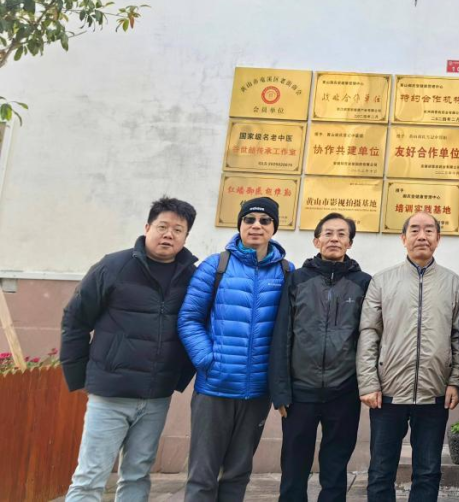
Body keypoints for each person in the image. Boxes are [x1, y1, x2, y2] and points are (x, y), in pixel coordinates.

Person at [60, 196, 199, 502]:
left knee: (137, 475)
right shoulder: (113, 267)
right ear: (147, 227)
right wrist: (79, 376)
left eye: (178, 230)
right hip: (110, 395)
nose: (169, 235)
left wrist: (176, 379)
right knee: (90, 478)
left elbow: (197, 327)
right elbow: (75, 319)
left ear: (186, 237)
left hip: (155, 397)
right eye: (162, 226)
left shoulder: (191, 277)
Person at [178, 197, 291, 502]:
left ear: (274, 228)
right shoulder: (216, 266)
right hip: (215, 386)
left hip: (257, 391)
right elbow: (189, 318)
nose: (256, 226)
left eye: (265, 221)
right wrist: (208, 360)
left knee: (238, 473)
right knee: (202, 474)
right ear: (240, 225)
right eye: (249, 220)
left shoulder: (285, 271)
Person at [358, 211, 459, 502]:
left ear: (438, 239)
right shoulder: (382, 281)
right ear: (403, 238)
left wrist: (455, 381)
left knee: (428, 471)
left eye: (429, 230)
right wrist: (368, 383)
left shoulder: (453, 283)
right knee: (381, 470)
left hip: (434, 392)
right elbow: (369, 333)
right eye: (415, 230)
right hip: (387, 393)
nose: (422, 236)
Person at [269, 213, 371, 502]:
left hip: (344, 390)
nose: (334, 239)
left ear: (350, 243)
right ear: (316, 241)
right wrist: (280, 391)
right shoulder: (297, 280)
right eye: (328, 233)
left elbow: (368, 338)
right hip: (300, 391)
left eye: (341, 234)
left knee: (335, 467)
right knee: (293, 464)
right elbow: (282, 335)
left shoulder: (363, 283)